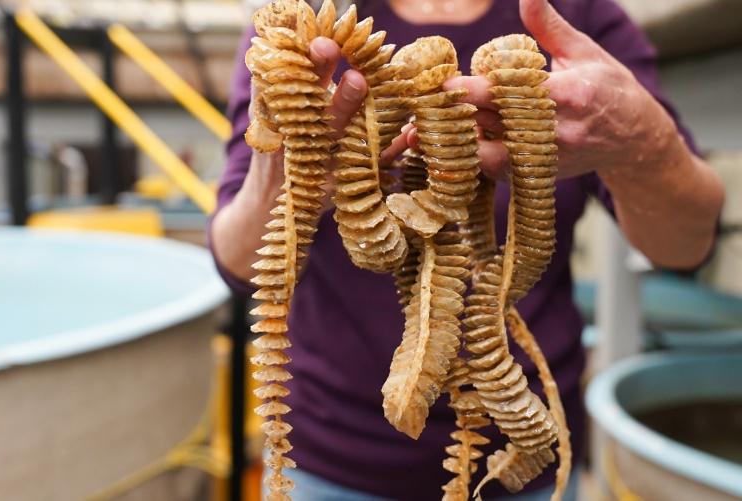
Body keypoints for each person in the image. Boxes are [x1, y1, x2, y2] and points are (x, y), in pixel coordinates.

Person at [210, 0, 724, 499]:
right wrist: (286, 178)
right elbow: (237, 263)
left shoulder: (577, 13)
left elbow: (685, 244)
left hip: (525, 451)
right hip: (329, 457)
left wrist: (645, 143)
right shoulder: (301, 30)